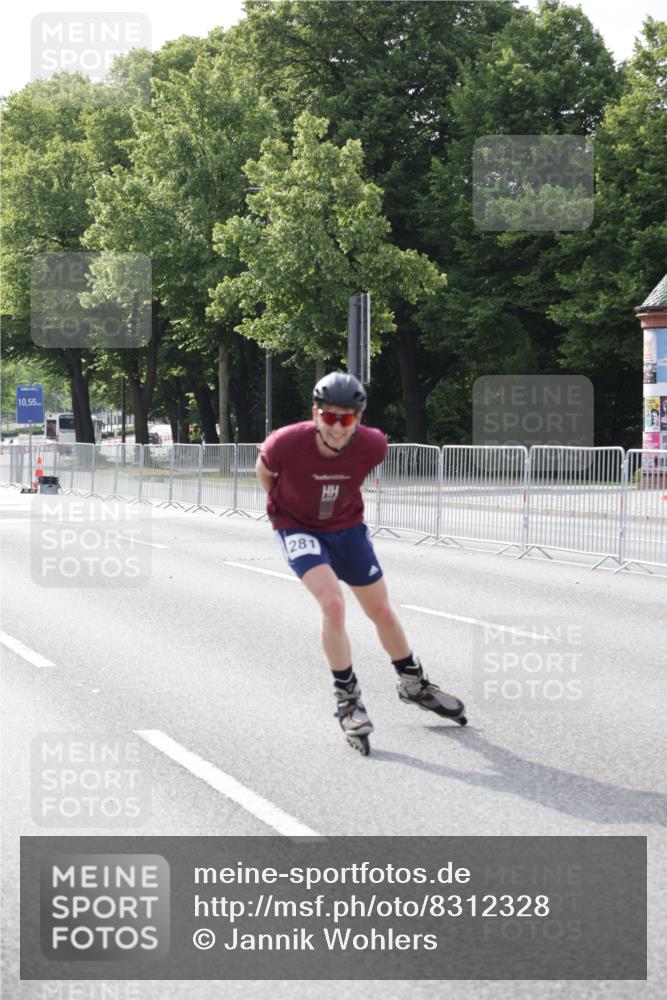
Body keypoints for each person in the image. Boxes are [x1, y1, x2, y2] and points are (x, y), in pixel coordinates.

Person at [255, 371, 466, 753]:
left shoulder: (374, 445)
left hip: (347, 527)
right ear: (315, 413)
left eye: (347, 419)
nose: (338, 427)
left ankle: (413, 683)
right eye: (330, 417)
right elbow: (265, 473)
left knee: (381, 610)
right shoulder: (284, 443)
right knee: (333, 605)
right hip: (297, 527)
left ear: (360, 419)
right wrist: (283, 513)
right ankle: (348, 699)